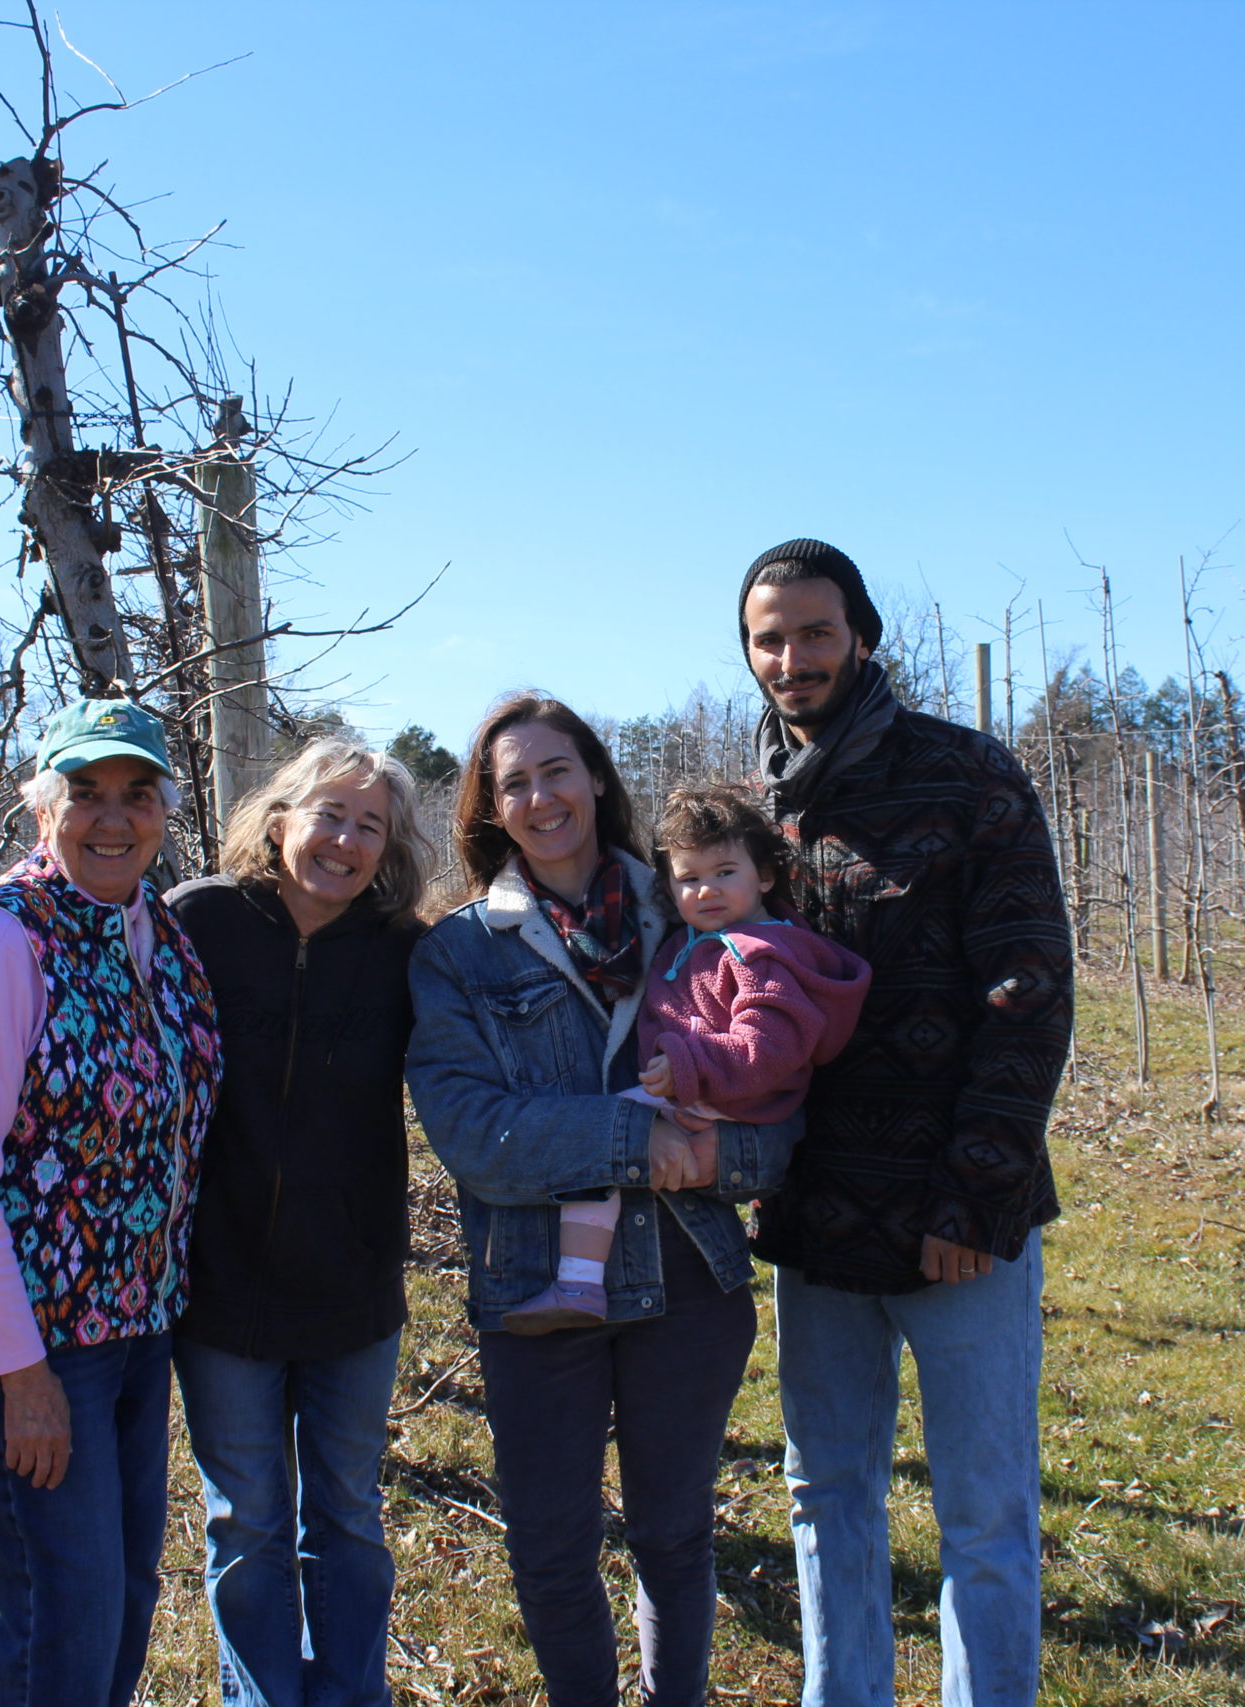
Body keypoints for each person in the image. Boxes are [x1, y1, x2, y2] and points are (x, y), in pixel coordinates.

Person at [404, 693, 801, 1707]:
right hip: (538, 1285)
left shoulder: (693, 910)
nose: (541, 796)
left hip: (687, 1278)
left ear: (595, 777)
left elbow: (786, 1099)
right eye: (515, 782)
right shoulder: (459, 952)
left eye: (556, 770)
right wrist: (638, 1136)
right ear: (490, 809)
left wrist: (719, 1165)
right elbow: (474, 1138)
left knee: (672, 1535)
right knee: (548, 1544)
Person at [737, 539, 1073, 1707]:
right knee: (828, 1498)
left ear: (862, 636)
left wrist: (975, 1192)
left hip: (956, 1219)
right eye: (768, 638)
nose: (792, 657)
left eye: (814, 632)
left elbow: (1027, 995)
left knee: (983, 1512)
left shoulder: (967, 776)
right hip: (816, 1217)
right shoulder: (757, 811)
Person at [0, 698, 222, 1707]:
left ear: (166, 811)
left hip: (138, 1325)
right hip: (35, 1343)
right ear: (41, 805)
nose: (111, 817)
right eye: (83, 793)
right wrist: (20, 1375)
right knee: (64, 1616)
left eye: (136, 794)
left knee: (123, 1599)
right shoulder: (6, 941)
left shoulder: (158, 935)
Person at [163, 737, 434, 1707]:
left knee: (348, 1519)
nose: (345, 840)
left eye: (371, 826)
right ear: (278, 820)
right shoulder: (197, 922)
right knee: (247, 1525)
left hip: (352, 1292)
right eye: (329, 813)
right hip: (220, 1287)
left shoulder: (406, 951)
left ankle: (353, 1697)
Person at [512, 782, 870, 1331]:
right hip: (703, 1090)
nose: (707, 890)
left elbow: (766, 1049)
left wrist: (687, 1066)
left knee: (598, 1141)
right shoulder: (691, 943)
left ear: (765, 877)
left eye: (725, 872)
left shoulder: (759, 954)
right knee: (606, 1147)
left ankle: (578, 1283)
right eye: (690, 878)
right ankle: (580, 1282)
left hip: (730, 1097)